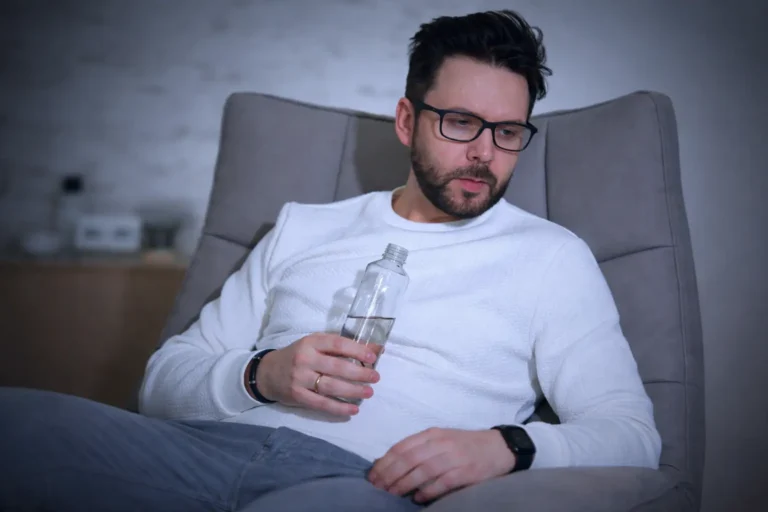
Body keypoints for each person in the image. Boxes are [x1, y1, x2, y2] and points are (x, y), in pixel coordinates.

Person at [0, 9, 661, 512]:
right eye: (460, 122)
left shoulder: (551, 258)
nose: (484, 152)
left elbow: (633, 436)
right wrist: (263, 376)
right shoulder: (303, 228)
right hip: (197, 454)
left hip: (355, 481)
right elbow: (163, 384)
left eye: (508, 132)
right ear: (407, 121)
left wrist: (507, 446)